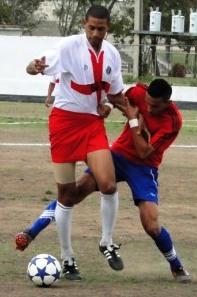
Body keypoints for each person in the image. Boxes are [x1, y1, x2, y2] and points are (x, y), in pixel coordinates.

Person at [15, 79, 192, 283]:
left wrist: (133, 120)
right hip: (117, 156)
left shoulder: (173, 121)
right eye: (148, 103)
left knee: (151, 224)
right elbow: (117, 97)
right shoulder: (138, 92)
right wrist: (110, 106)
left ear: (168, 102)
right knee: (74, 192)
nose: (150, 108)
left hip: (144, 168)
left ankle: (176, 266)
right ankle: (31, 232)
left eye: (155, 106)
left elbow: (144, 152)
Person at [25, 5, 127, 280]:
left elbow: (116, 94)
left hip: (92, 125)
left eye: (101, 29)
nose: (95, 33)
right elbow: (33, 67)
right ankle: (67, 257)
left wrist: (129, 115)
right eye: (91, 27)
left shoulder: (113, 55)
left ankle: (106, 241)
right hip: (63, 125)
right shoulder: (68, 46)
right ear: (84, 24)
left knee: (107, 183)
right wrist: (34, 67)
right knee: (66, 195)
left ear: (108, 28)